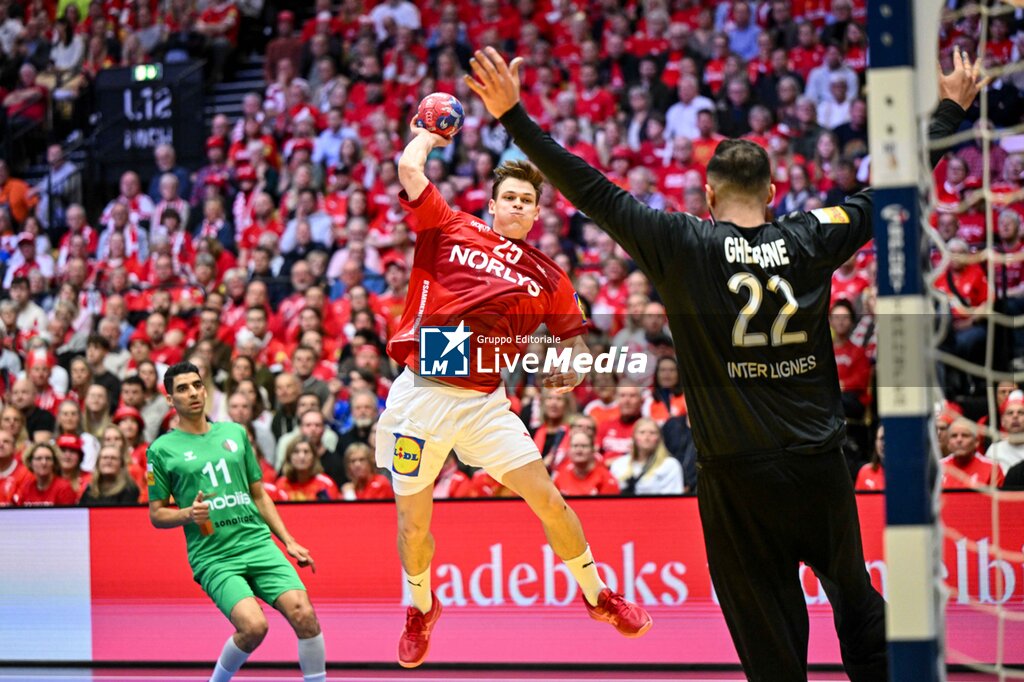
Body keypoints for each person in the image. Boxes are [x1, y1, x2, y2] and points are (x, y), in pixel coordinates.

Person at [465, 44, 988, 682]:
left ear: (707, 195)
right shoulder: (812, 233)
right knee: (857, 601)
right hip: (818, 464)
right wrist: (949, 111)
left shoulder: (682, 243)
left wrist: (513, 118)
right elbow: (894, 191)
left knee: (770, 641)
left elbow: (591, 190)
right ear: (772, 191)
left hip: (737, 479)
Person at [377, 116, 652, 668]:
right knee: (414, 524)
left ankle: (598, 595)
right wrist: (429, 132)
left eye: (529, 200)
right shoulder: (452, 226)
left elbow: (575, 346)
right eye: (511, 198)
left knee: (548, 499)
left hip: (483, 403)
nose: (520, 206)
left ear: (537, 210)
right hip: (421, 397)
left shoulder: (550, 277)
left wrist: (570, 371)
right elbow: (409, 167)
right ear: (493, 202)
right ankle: (422, 607)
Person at [148, 362, 326, 682]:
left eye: (197, 385)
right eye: (183, 389)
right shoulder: (161, 450)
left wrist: (288, 541)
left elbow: (258, 494)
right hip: (214, 556)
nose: (193, 393)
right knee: (254, 627)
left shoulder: (234, 433)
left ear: (205, 389)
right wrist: (187, 514)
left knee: (305, 615)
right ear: (170, 400)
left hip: (257, 543)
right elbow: (157, 514)